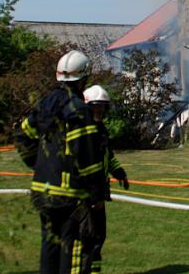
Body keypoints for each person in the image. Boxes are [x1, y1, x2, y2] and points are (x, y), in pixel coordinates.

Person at [15, 50, 107, 273]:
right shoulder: (77, 109)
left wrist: (38, 165)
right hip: (69, 195)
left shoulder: (45, 104)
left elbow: (23, 135)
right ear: (83, 78)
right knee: (72, 247)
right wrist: (96, 193)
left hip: (42, 190)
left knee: (50, 247)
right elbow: (86, 156)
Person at [82, 85, 130, 274]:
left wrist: (120, 173)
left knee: (98, 237)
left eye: (103, 107)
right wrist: (94, 197)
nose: (100, 111)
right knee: (86, 238)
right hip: (86, 197)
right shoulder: (84, 132)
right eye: (96, 107)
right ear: (88, 107)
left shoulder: (100, 129)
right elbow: (86, 168)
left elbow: (107, 157)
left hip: (98, 194)